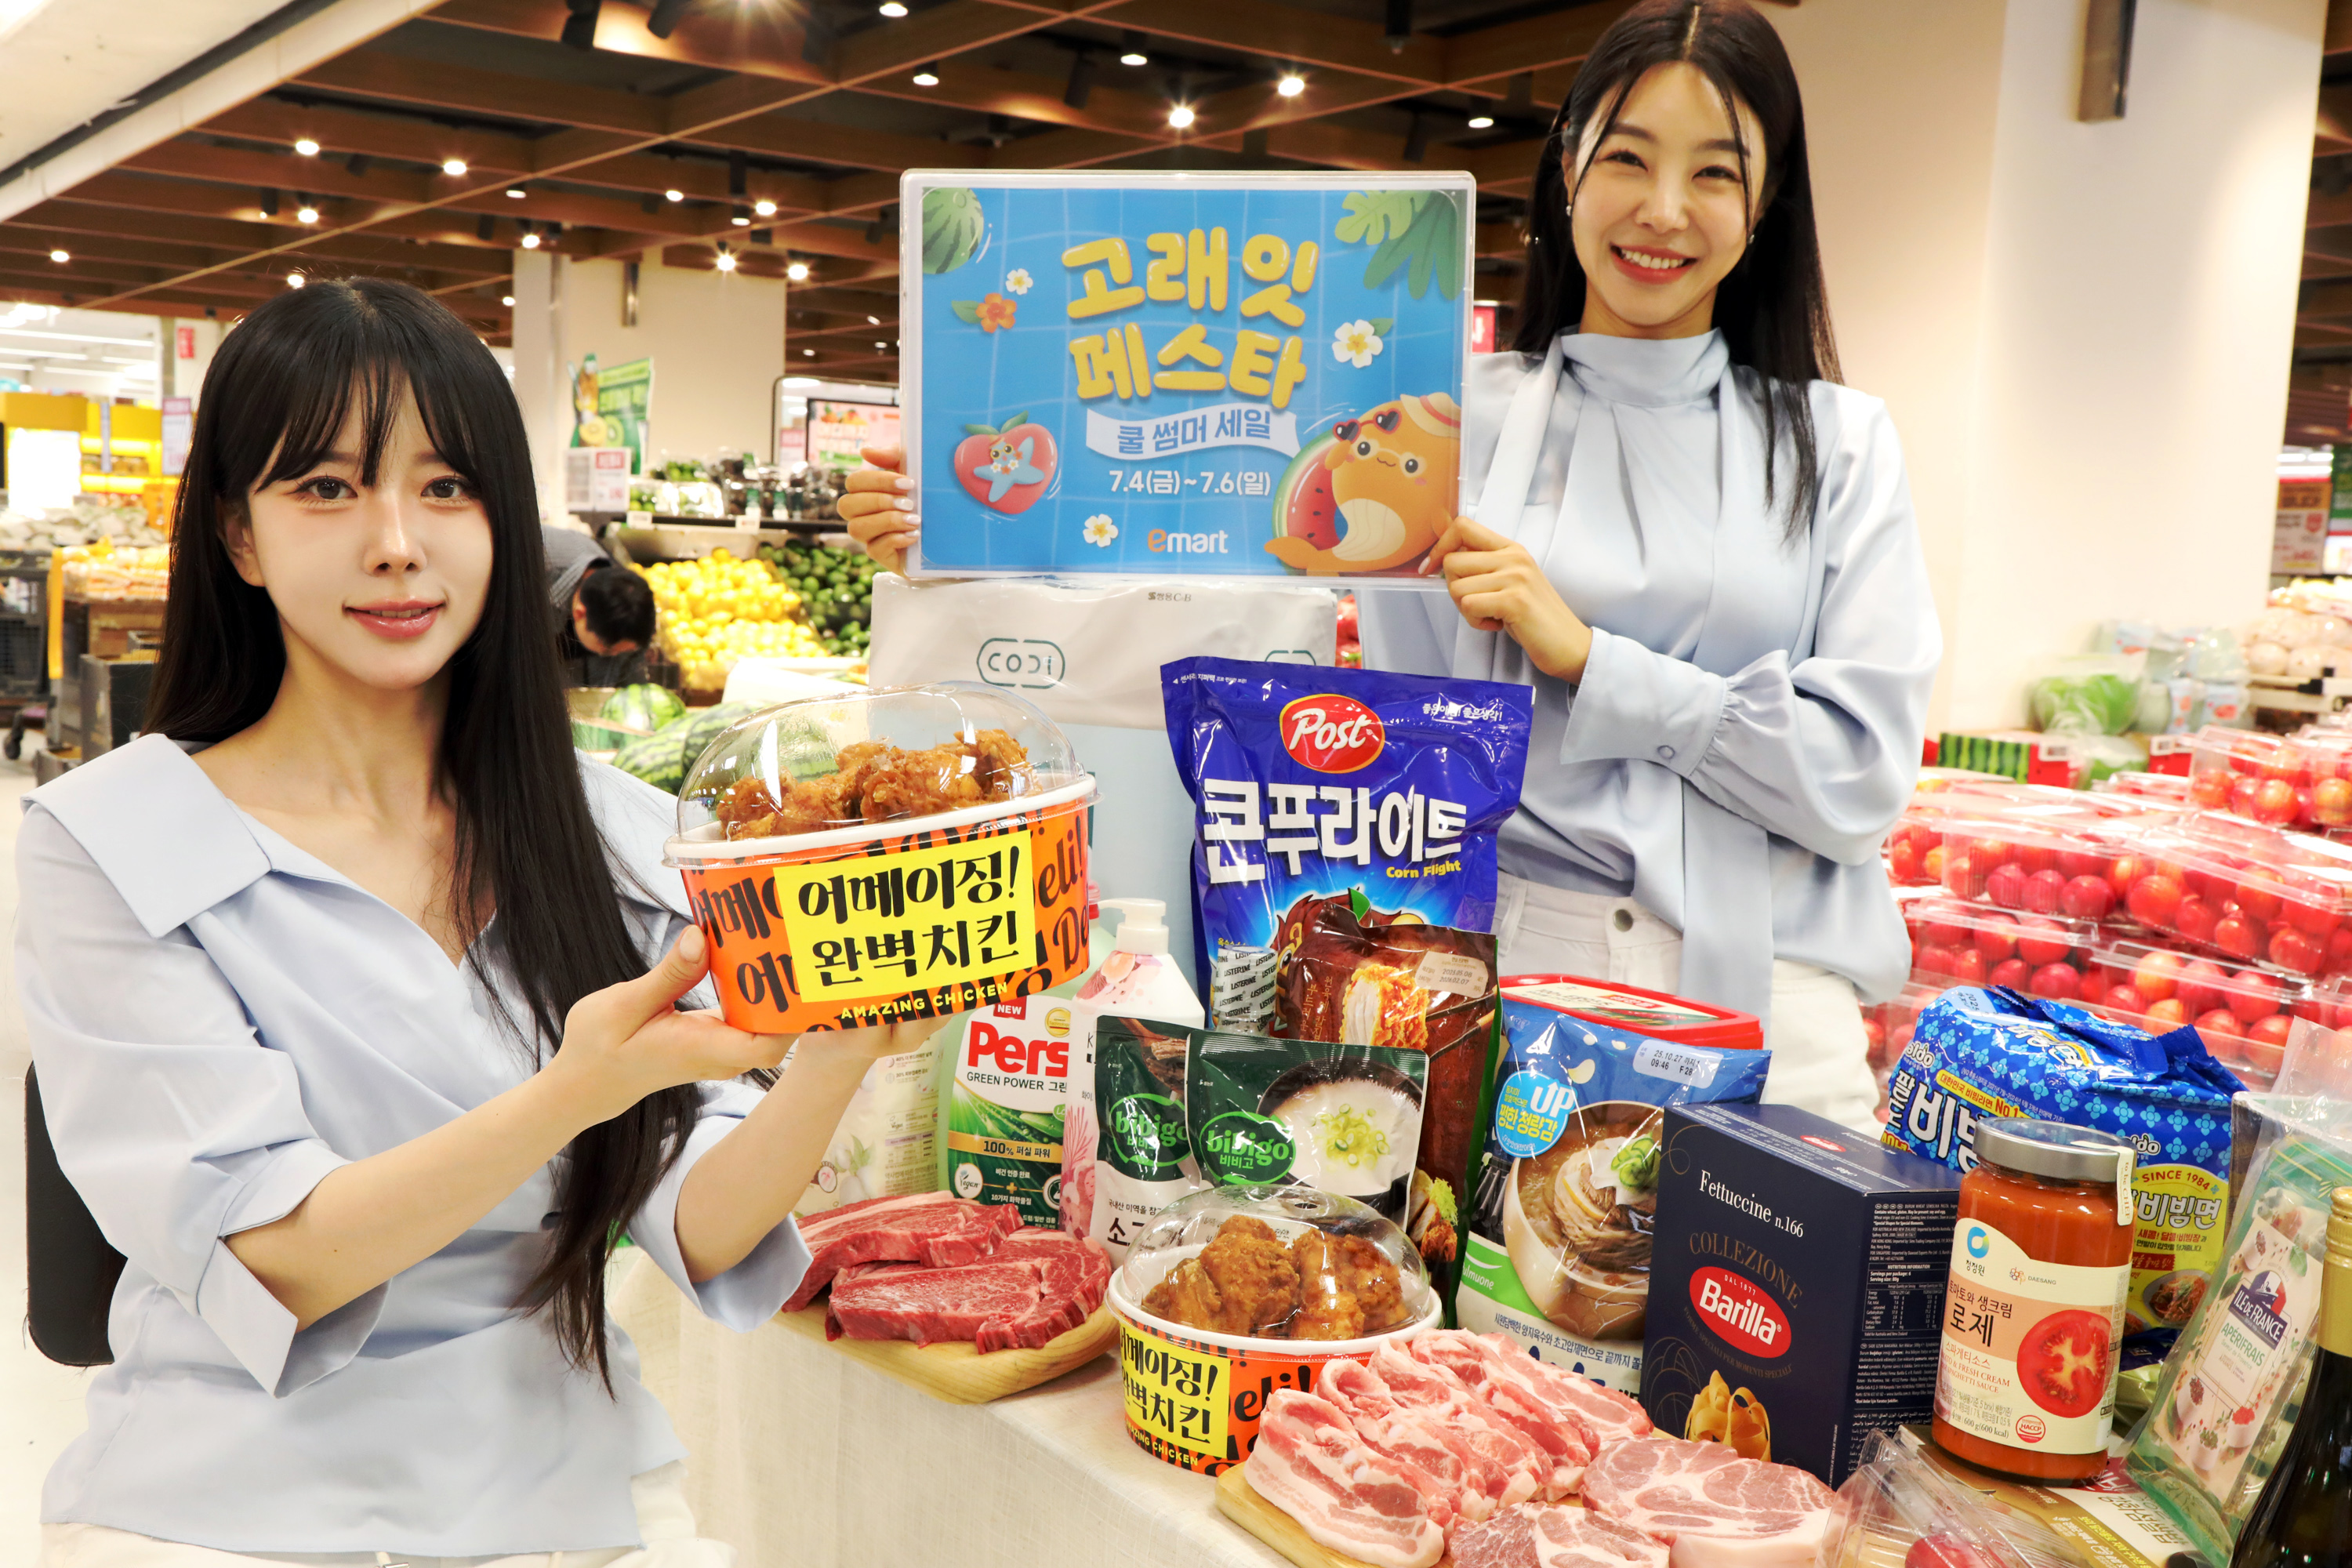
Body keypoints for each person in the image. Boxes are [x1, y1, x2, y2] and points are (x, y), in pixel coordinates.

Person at [841, 0, 1934, 1132]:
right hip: (1491, 993)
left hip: (1773, 1008)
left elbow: (1860, 781)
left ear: (1767, 197)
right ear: (1567, 166)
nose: (1664, 209)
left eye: (1715, 171)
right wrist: (955, 542)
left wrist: (1591, 660)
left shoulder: (1840, 445)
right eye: (1627, 157)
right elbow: (1192, 576)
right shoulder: (1435, 421)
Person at [20, 278, 910, 1565]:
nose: (397, 543)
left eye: (447, 487)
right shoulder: (110, 838)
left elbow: (703, 1218)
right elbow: (277, 1259)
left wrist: (836, 1051)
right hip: (225, 1502)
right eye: (327, 488)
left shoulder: (610, 828)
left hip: (568, 1489)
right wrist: (573, 1092)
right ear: (238, 536)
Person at [546, 524, 655, 687]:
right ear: (579, 613)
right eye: (607, 651)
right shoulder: (538, 567)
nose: (616, 655)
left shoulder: (629, 607)